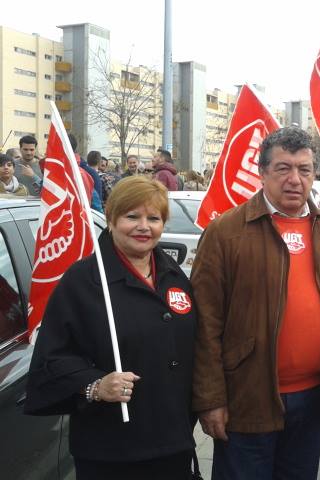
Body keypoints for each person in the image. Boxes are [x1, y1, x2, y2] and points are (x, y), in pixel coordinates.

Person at [191, 127, 320, 480]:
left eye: (304, 169)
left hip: (312, 396)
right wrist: (210, 399)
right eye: (283, 168)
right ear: (263, 172)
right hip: (248, 397)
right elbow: (204, 323)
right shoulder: (226, 232)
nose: (295, 179)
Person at [24, 176, 198, 480]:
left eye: (154, 218)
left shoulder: (174, 276)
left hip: (172, 443)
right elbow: (52, 359)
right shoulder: (82, 281)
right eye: (132, 216)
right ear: (112, 220)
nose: (144, 226)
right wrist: (95, 386)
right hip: (111, 450)